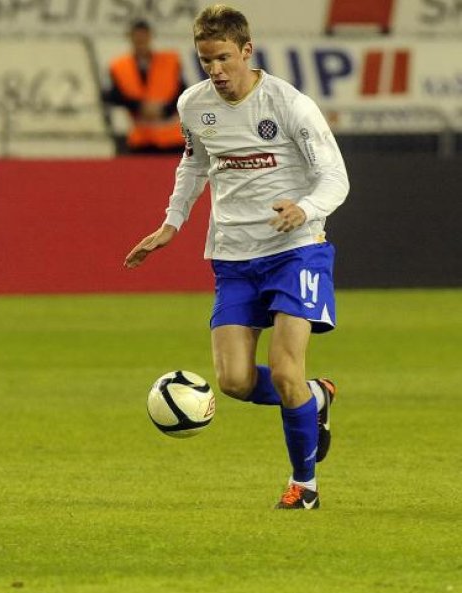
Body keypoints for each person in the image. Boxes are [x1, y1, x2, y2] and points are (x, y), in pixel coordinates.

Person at [123, 4, 348, 510]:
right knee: (234, 382)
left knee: (285, 369)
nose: (217, 71)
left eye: (224, 58)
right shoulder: (193, 106)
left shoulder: (289, 104)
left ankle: (303, 486)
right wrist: (171, 223)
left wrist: (305, 208)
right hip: (233, 257)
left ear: (247, 50)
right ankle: (317, 397)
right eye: (206, 61)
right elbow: (194, 166)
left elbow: (335, 177)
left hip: (297, 250)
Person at [102, 19, 186, 154]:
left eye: (143, 35)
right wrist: (139, 106)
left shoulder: (170, 61)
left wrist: (164, 109)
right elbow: (112, 95)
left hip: (172, 138)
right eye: (136, 35)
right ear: (129, 37)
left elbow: (182, 91)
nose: (140, 39)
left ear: (150, 36)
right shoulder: (119, 66)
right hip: (141, 138)